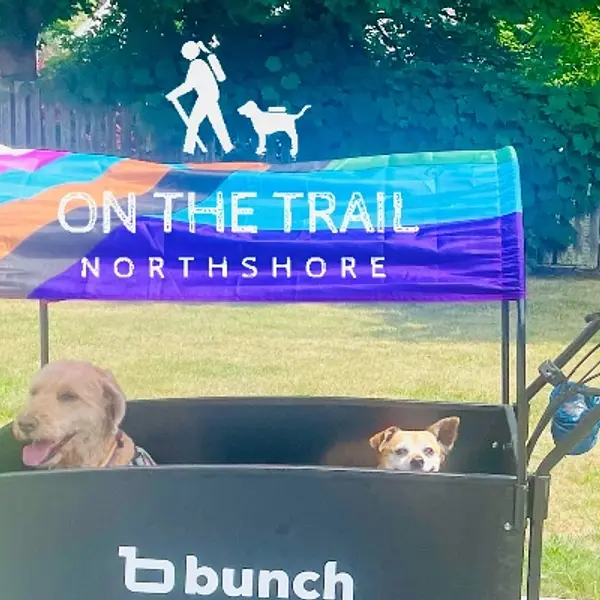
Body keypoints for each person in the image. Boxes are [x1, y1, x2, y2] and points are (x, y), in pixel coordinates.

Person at [166, 40, 234, 155]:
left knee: (194, 122)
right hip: (210, 95)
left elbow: (189, 85)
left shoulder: (196, 65)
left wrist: (173, 94)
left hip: (206, 96)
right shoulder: (201, 63)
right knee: (217, 123)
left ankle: (188, 150)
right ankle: (228, 148)